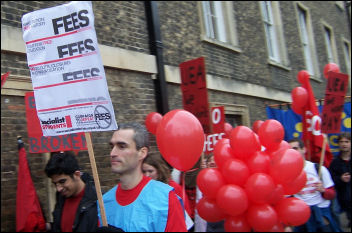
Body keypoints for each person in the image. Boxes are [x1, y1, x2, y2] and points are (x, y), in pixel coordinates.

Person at [98, 122, 187, 232]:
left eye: (121, 146)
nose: (112, 153)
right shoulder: (103, 204)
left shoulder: (166, 199)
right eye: (112, 146)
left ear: (142, 153)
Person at [288, 138, 341, 232]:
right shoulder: (287, 173)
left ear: (303, 149)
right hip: (300, 215)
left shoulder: (318, 169)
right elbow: (286, 199)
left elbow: (332, 194)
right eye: (290, 150)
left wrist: (324, 190)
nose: (293, 152)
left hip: (320, 212)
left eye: (295, 148)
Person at [44, 151, 98, 232]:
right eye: (55, 184)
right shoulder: (61, 196)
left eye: (62, 182)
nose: (59, 189)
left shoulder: (97, 201)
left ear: (77, 175)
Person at [142, 153, 194, 230]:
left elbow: (186, 212)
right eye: (144, 171)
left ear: (159, 170)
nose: (147, 175)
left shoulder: (173, 187)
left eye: (150, 171)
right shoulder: (144, 188)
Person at [329, 132, 351, 228]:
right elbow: (331, 179)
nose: (344, 144)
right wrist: (341, 179)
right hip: (342, 195)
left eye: (346, 141)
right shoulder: (335, 162)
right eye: (341, 142)